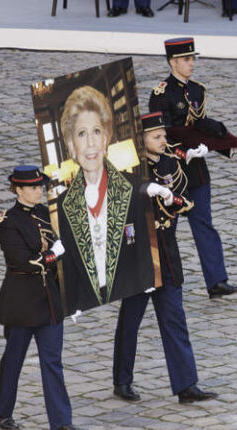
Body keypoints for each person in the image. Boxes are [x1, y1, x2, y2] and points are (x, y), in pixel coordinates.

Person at [112, 112, 218, 404]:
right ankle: (122, 380)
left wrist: (173, 200)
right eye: (156, 137)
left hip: (168, 255)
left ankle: (186, 384)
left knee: (175, 320)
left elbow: (186, 197)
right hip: (139, 256)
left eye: (163, 136)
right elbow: (118, 202)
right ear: (141, 139)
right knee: (130, 321)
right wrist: (145, 190)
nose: (163, 141)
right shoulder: (129, 166)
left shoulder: (171, 162)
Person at [0, 165, 88, 430]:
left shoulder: (45, 214)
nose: (38, 191)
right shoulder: (8, 222)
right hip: (21, 303)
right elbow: (22, 262)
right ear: (18, 190)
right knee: (14, 359)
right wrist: (52, 256)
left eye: (40, 187)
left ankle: (61, 423)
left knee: (52, 361)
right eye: (33, 187)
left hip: (49, 302)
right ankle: (2, 410)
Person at [57, 85, 171, 313]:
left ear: (107, 139)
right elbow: (69, 269)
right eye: (81, 134)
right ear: (71, 145)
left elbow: (142, 254)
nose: (90, 143)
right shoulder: (64, 203)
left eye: (97, 131)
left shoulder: (133, 188)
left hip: (128, 291)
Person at [149, 37, 237, 299]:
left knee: (204, 225)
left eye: (193, 58)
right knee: (164, 226)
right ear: (172, 62)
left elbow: (200, 125)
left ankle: (217, 281)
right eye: (185, 59)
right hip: (171, 173)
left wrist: (225, 143)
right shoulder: (161, 94)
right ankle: (154, 278)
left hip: (197, 173)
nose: (191, 63)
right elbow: (160, 135)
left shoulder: (197, 91)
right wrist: (184, 151)